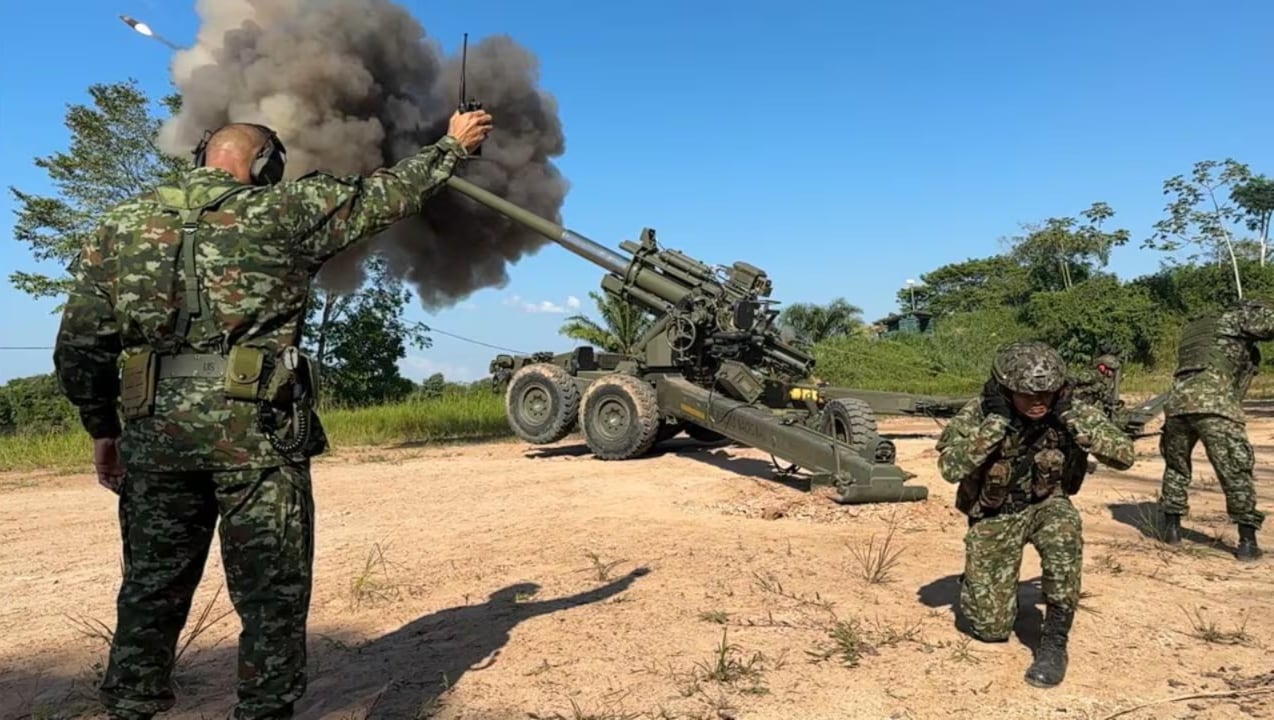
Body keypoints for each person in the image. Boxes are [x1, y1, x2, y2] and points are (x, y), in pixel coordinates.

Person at [52, 108, 494, 720]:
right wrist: (451, 146)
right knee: (270, 595)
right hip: (257, 438)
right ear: (265, 166)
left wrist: (103, 430)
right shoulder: (284, 211)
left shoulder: (119, 228)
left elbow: (78, 348)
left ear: (202, 156)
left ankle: (130, 707)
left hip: (156, 439)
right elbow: (388, 194)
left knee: (151, 588)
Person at [935, 341, 1135, 689]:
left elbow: (1124, 455)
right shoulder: (982, 411)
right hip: (997, 512)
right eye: (1027, 395)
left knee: (1065, 533)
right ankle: (979, 582)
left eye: (1047, 393)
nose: (1039, 401)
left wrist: (1073, 422)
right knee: (990, 630)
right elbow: (950, 468)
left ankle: (1054, 642)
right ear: (1005, 389)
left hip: (1047, 503)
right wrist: (996, 424)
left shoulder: (1069, 408)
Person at [1158, 298, 1274, 561]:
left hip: (1177, 404)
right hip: (1215, 404)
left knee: (1176, 467)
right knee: (1234, 470)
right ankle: (1247, 543)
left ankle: (1172, 530)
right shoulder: (1236, 318)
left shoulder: (1195, 328)